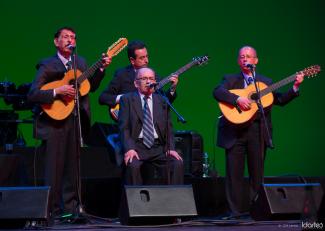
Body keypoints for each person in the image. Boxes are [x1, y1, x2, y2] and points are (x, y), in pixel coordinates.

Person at [27, 26, 112, 218]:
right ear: (56, 42)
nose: (70, 40)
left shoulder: (80, 62)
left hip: (75, 119)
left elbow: (90, 86)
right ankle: (52, 211)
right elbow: (33, 93)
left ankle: (72, 209)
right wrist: (58, 91)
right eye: (65, 37)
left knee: (73, 167)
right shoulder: (47, 64)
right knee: (54, 168)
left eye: (73, 37)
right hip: (54, 122)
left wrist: (101, 69)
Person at [213, 46, 304, 218]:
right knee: (234, 174)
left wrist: (295, 87)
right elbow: (217, 92)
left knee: (257, 173)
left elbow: (280, 100)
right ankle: (235, 212)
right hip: (234, 131)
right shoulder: (230, 79)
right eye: (242, 57)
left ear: (256, 60)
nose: (245, 59)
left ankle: (255, 209)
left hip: (257, 130)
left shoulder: (265, 82)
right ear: (238, 61)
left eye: (248, 57)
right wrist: (237, 99)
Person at [118, 67, 183, 185]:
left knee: (176, 163)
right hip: (137, 146)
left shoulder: (162, 100)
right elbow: (124, 128)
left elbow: (169, 127)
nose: (148, 81)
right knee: (133, 166)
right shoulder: (127, 99)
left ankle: (173, 201)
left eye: (151, 78)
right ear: (136, 83)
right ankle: (137, 202)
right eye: (144, 78)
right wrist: (129, 148)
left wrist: (171, 148)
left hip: (158, 148)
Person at [98, 40, 178, 120]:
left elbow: (164, 103)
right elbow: (103, 98)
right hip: (127, 122)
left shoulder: (153, 76)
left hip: (147, 122)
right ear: (132, 60)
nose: (146, 60)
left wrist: (172, 88)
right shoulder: (122, 75)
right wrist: (123, 98)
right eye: (142, 58)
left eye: (147, 56)